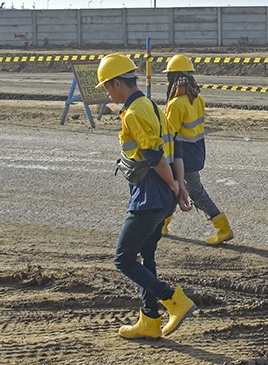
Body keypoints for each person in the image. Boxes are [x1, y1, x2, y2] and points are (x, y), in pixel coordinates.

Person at [95, 53, 196, 339]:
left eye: (106, 87)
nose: (106, 93)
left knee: (123, 259)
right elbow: (173, 148)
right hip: (161, 197)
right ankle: (149, 321)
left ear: (117, 84)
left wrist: (176, 187)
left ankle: (174, 300)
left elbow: (155, 157)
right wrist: (179, 187)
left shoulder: (135, 112)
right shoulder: (150, 105)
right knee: (146, 255)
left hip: (149, 197)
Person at [162, 54, 234, 245]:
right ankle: (162, 224)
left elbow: (170, 133)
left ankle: (223, 228)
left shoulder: (176, 103)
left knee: (195, 192)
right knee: (172, 188)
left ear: (174, 77)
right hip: (197, 150)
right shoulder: (197, 99)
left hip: (182, 154)